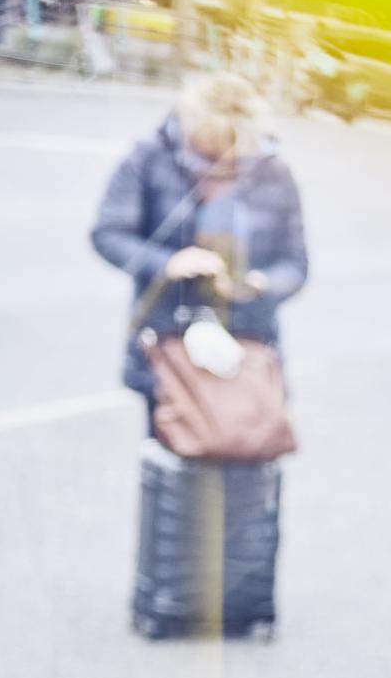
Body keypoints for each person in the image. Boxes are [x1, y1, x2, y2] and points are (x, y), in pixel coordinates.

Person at [90, 72, 309, 639]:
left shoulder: (275, 173)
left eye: (230, 140)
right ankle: (170, 595)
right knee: (173, 469)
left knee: (246, 470)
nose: (217, 151)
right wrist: (168, 262)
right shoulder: (149, 158)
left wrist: (259, 282)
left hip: (247, 350)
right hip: (168, 346)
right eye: (208, 138)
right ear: (189, 123)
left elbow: (297, 265)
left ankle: (233, 599)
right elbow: (108, 233)